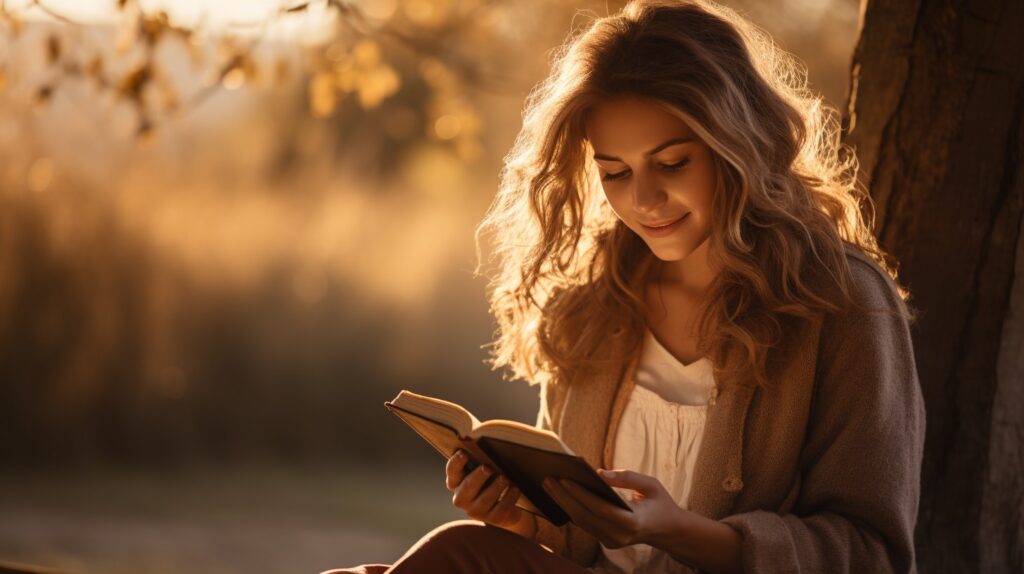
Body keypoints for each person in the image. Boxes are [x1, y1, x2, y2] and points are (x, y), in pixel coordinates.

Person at [322, 0, 926, 572]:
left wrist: (677, 531)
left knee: (458, 557)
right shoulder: (593, 303)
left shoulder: (842, 305)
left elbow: (873, 554)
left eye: (672, 164)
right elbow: (577, 539)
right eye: (614, 171)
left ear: (738, 145)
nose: (642, 200)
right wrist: (522, 524)